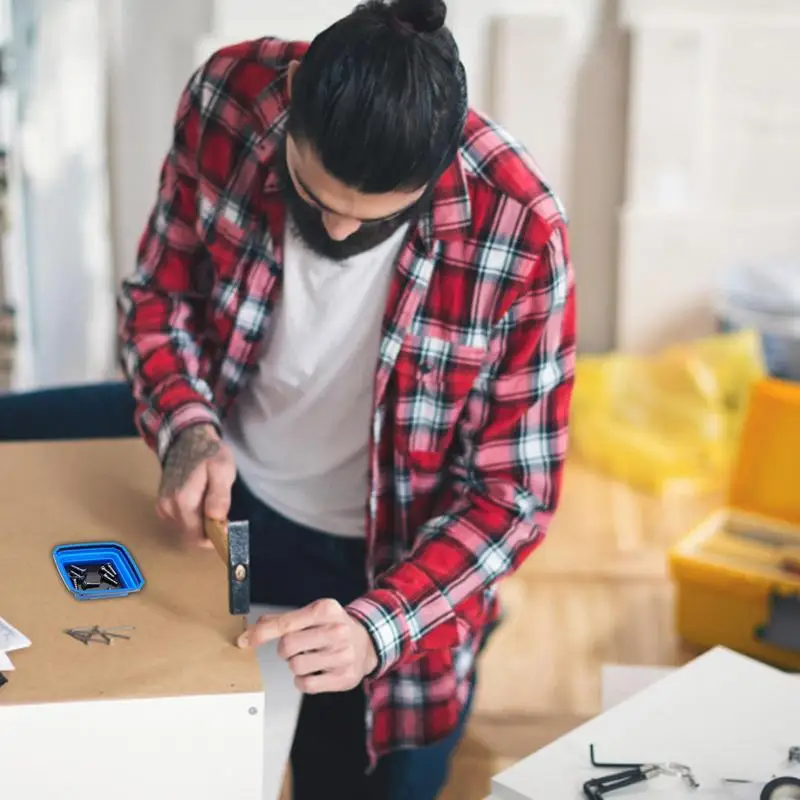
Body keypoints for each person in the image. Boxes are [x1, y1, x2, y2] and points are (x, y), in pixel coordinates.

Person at [0, 0, 576, 796]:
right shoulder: (231, 95)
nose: (338, 233)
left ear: (441, 167)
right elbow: (161, 298)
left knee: (364, 780)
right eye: (316, 195)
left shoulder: (522, 228)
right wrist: (187, 428)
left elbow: (516, 497)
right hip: (227, 476)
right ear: (295, 94)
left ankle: (459, 644)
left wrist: (382, 628)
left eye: (372, 219)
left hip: (384, 562)